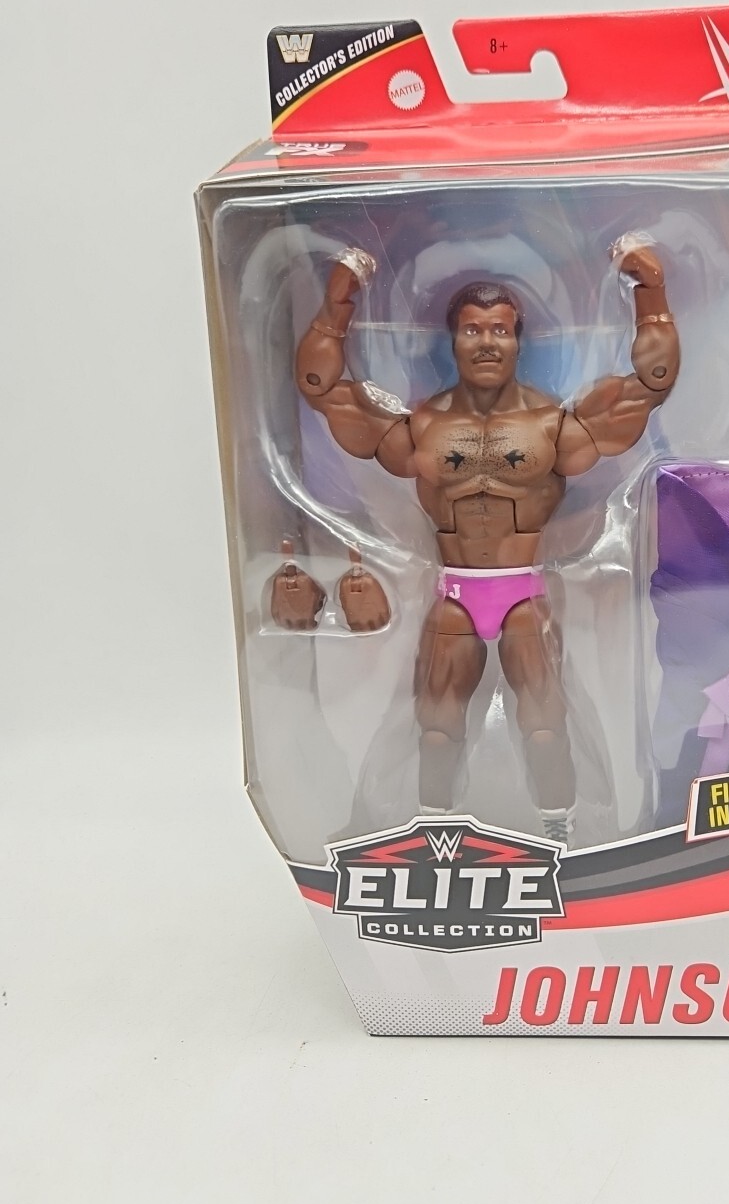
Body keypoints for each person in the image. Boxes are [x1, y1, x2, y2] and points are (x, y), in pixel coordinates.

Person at [271, 238, 679, 843]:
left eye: (500, 330)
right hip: (456, 592)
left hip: (523, 592)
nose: (486, 342)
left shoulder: (551, 425)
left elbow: (649, 384)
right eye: (471, 330)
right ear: (453, 341)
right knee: (437, 726)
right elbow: (322, 387)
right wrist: (340, 297)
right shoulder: (424, 426)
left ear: (518, 341)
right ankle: (434, 831)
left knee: (545, 723)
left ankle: (561, 830)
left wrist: (651, 293)